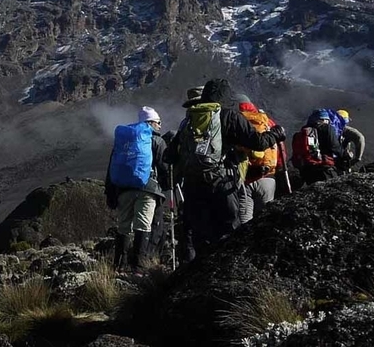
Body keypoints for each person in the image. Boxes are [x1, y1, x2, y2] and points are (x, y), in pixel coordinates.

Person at [164, 79, 286, 256]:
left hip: (193, 185)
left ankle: (198, 276)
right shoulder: (229, 115)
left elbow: (170, 154)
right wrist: (276, 134)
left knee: (201, 234)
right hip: (222, 183)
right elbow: (258, 143)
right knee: (228, 231)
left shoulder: (191, 118)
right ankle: (226, 272)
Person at [105, 107, 169, 273]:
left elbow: (111, 168)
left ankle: (119, 265)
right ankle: (138, 267)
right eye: (158, 122)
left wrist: (111, 193)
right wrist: (166, 186)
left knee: (124, 226)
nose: (160, 126)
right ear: (151, 123)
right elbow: (164, 167)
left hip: (124, 189)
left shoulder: (124, 142)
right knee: (143, 225)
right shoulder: (156, 141)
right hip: (148, 189)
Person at [235, 96, 279, 224]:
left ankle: (244, 243)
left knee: (245, 219)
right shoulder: (267, 122)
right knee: (265, 218)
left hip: (244, 178)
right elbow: (278, 146)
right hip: (267, 176)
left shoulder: (235, 122)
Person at [297, 109, 342, 185]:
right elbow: (335, 147)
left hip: (308, 170)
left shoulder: (304, 132)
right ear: (324, 119)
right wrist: (344, 155)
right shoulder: (327, 128)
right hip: (324, 168)